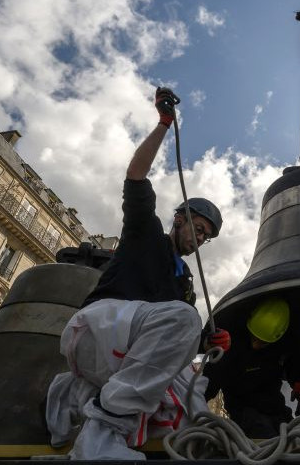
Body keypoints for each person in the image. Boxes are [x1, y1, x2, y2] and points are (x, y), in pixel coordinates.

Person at [46, 87, 230, 460]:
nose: (199, 239)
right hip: (99, 328)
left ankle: (86, 401)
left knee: (194, 392)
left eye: (206, 237)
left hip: (122, 354)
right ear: (178, 219)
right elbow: (136, 175)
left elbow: (166, 343)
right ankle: (102, 433)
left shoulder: (184, 286)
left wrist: (206, 346)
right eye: (197, 227)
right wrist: (163, 125)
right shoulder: (146, 233)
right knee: (184, 318)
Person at [204, 297, 300, 438]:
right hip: (244, 411)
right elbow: (210, 381)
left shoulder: (283, 345)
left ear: (277, 338)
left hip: (275, 408)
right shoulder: (232, 347)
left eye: (262, 342)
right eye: (253, 338)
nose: (255, 345)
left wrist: (298, 382)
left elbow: (292, 360)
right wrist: (191, 403)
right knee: (264, 435)